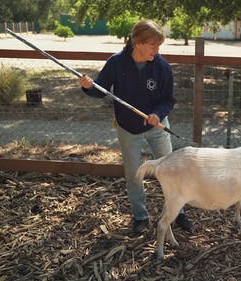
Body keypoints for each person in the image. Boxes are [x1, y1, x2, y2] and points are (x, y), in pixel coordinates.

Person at [79, 19, 192, 234]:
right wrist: (88, 86)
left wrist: (157, 114)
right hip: (128, 128)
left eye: (159, 46)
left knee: (171, 171)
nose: (157, 50)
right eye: (153, 45)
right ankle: (140, 216)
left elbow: (169, 100)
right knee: (134, 174)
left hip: (157, 127)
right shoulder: (116, 63)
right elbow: (100, 90)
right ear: (137, 42)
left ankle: (178, 213)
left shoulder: (162, 67)